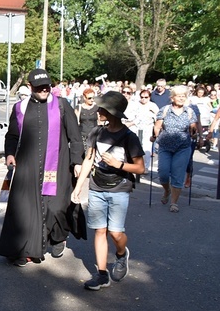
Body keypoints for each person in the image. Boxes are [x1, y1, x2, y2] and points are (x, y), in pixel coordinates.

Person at [0, 68, 85, 266]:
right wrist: (10, 153)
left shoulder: (61, 105)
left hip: (57, 164)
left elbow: (75, 136)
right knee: (25, 210)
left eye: (47, 86)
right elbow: (12, 135)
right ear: (30, 87)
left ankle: (59, 236)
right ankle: (23, 249)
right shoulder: (20, 108)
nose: (45, 90)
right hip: (27, 166)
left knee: (56, 208)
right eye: (40, 87)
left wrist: (77, 161)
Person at [71, 92, 145, 290]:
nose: (98, 111)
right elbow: (89, 159)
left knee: (115, 233)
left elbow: (140, 168)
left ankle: (121, 254)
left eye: (102, 109)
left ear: (112, 113)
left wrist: (118, 164)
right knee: (100, 230)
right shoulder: (96, 132)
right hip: (96, 187)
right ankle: (102, 274)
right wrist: (79, 187)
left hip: (119, 189)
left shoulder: (129, 138)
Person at [152, 85, 198, 213]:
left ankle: (174, 203)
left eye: (184, 96)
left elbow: (193, 127)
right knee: (163, 173)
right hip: (165, 146)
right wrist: (155, 135)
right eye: (179, 96)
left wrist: (194, 134)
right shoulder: (165, 110)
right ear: (172, 97)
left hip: (183, 147)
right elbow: (157, 126)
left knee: (178, 175)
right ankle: (167, 190)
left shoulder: (189, 112)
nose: (181, 98)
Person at [126, 89, 159, 171]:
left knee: (147, 148)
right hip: (136, 128)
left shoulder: (153, 105)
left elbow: (158, 117)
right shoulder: (135, 105)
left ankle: (146, 167)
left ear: (149, 97)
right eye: (142, 97)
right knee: (135, 147)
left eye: (146, 97)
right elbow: (130, 116)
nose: (144, 99)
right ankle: (134, 165)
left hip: (148, 129)